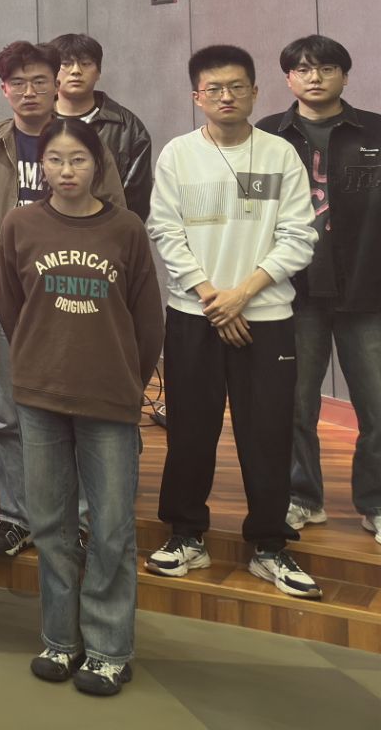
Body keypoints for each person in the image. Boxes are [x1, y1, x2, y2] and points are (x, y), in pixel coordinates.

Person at [0, 118, 164, 696]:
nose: (66, 171)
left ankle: (109, 649)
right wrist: (37, 360)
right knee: (50, 524)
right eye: (55, 160)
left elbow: (148, 319)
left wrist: (127, 380)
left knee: (111, 527)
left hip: (109, 398)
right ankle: (60, 640)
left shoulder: (126, 229)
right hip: (40, 396)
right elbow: (10, 307)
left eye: (78, 160)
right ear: (40, 167)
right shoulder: (20, 224)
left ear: (98, 165)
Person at [147, 45, 319, 597]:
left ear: (255, 91)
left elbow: (299, 235)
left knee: (267, 432)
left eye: (237, 86)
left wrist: (241, 295)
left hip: (265, 315)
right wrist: (210, 298)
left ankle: (269, 544)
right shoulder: (178, 154)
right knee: (191, 429)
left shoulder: (279, 153)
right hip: (193, 314)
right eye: (214, 88)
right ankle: (185, 535)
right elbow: (164, 230)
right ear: (197, 96)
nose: (226, 96)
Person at [0, 40, 121, 558]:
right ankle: (16, 516)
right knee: (9, 415)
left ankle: (77, 520)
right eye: (18, 83)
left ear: (56, 85)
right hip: (9, 301)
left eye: (39, 81)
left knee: (75, 411)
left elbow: (114, 216)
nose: (29, 91)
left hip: (76, 298)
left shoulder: (86, 142)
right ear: (3, 89)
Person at [261, 35, 381, 543]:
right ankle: (302, 497)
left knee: (377, 406)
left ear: (345, 76)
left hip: (367, 290)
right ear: (288, 78)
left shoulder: (375, 130)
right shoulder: (266, 135)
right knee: (295, 405)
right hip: (296, 291)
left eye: (327, 68)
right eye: (303, 69)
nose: (315, 77)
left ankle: (376, 503)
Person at [52, 33, 155, 218]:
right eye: (66, 64)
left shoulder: (127, 127)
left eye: (86, 63)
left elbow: (137, 197)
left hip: (108, 229)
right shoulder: (38, 121)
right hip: (44, 228)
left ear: (98, 72)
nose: (76, 71)